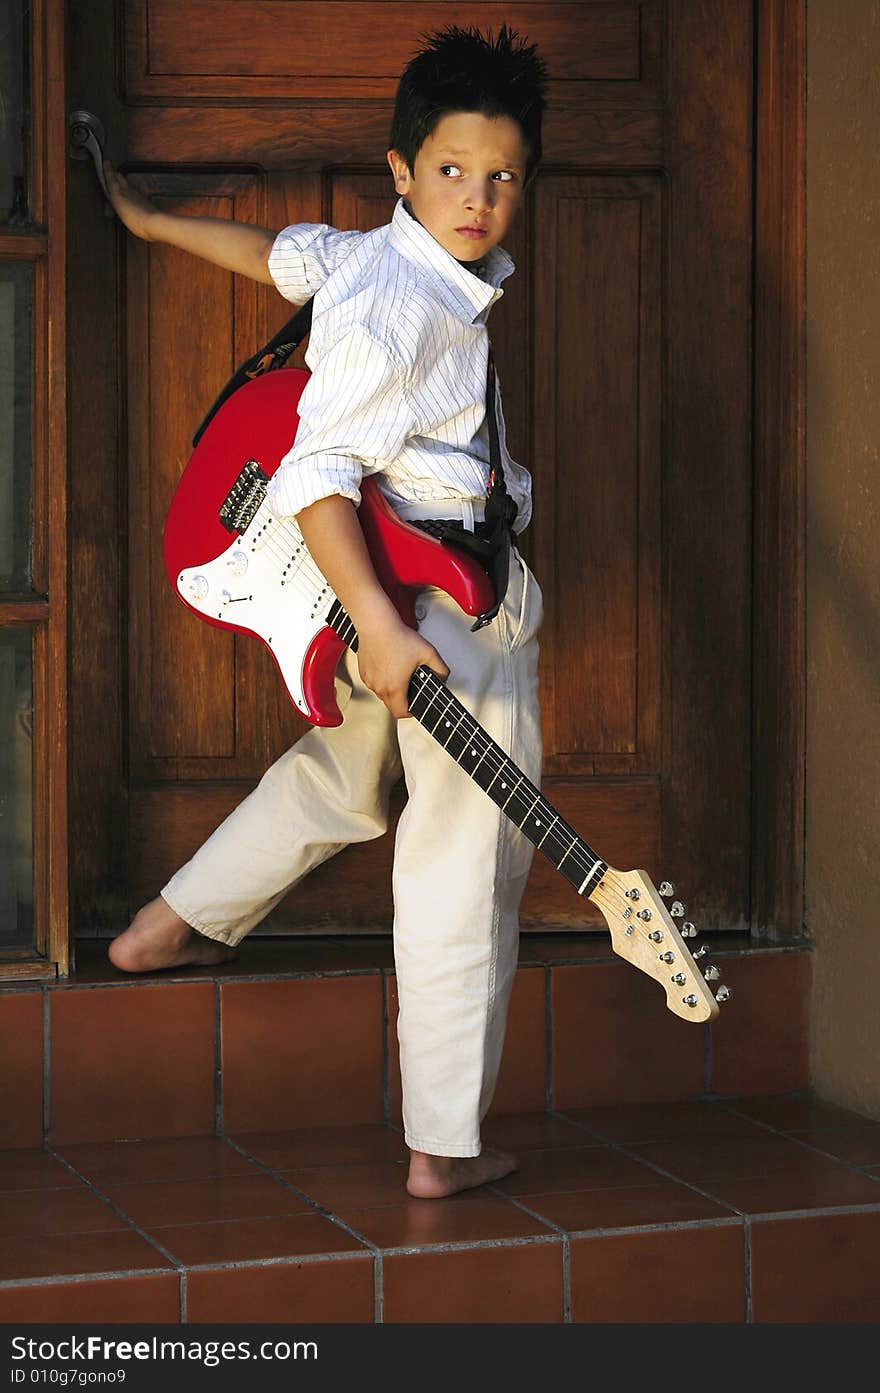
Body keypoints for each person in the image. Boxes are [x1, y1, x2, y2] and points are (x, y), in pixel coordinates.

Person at [105, 24, 548, 1200]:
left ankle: (169, 921)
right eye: (452, 170)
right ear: (401, 169)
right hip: (420, 607)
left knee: (346, 777)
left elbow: (273, 254)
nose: (479, 197)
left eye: (502, 175)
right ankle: (442, 1143)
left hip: (393, 598)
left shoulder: (367, 259)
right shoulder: (401, 307)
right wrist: (384, 623)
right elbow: (309, 471)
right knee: (470, 848)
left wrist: (152, 224)